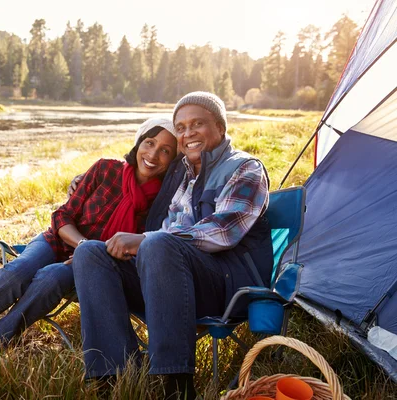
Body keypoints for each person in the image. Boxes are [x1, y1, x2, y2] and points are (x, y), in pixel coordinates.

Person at [72, 92, 272, 398]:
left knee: (158, 244)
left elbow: (224, 231)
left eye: (198, 124)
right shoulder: (184, 174)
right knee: (90, 252)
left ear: (220, 127)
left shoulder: (245, 168)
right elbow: (160, 206)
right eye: (181, 127)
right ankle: (114, 377)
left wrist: (146, 240)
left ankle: (175, 385)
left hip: (226, 287)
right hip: (169, 283)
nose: (187, 133)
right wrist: (86, 180)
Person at [0, 118, 178, 347]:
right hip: (58, 240)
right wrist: (85, 245)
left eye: (165, 151)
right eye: (150, 143)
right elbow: (63, 216)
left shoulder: (162, 203)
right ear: (139, 143)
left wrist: (91, 256)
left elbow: (137, 250)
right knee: (17, 271)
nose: (153, 155)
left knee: (50, 279)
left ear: (173, 160)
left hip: (94, 265)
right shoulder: (106, 168)